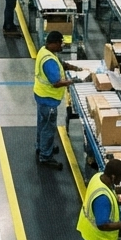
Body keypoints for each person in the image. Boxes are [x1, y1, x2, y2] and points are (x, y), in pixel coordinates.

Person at [33, 30, 83, 168]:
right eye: (60, 43)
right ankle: (46, 156)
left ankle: (41, 147)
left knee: (42, 124)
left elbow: (61, 64)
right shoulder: (48, 61)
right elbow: (56, 83)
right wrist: (73, 81)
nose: (62, 46)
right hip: (48, 99)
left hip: (41, 95)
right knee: (49, 128)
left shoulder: (45, 51)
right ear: (53, 43)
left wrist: (77, 68)